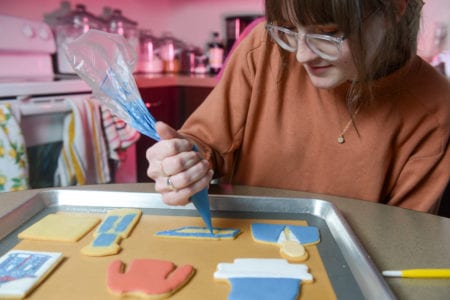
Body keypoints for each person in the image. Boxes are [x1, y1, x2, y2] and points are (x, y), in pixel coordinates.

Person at [146, 0, 450, 213]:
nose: (302, 56)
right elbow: (206, 145)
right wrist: (183, 163)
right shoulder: (264, 49)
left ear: (395, 6)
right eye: (289, 29)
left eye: (328, 34)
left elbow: (402, 238)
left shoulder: (435, 109)